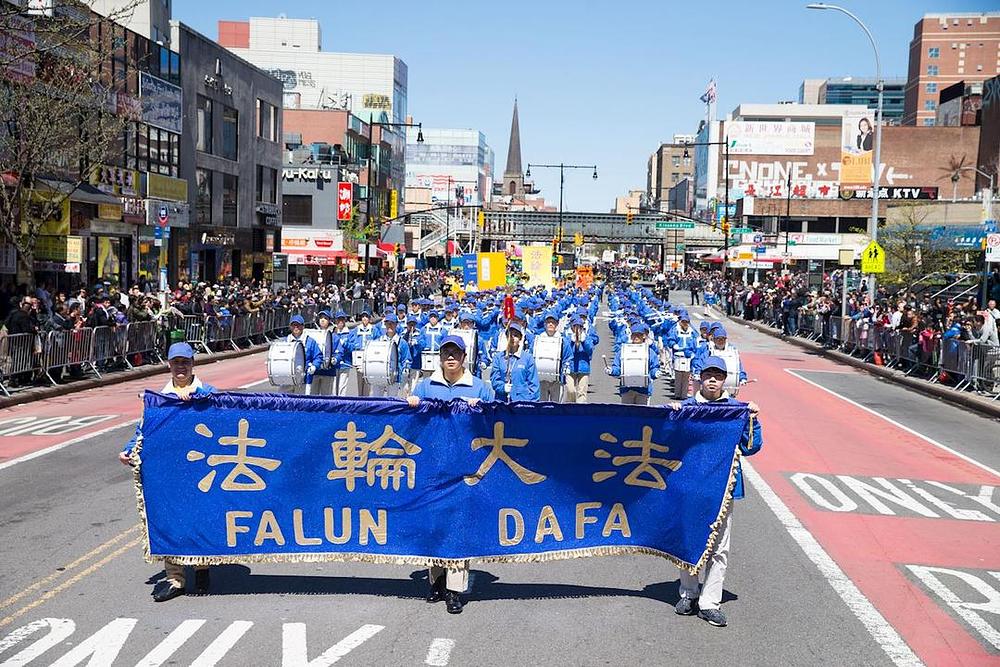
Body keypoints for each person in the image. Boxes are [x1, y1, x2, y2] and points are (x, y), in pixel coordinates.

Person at [119, 342, 218, 602]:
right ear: (169, 365)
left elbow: (223, 415)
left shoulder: (207, 392)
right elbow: (144, 430)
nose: (181, 367)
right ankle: (176, 579)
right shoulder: (160, 399)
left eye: (185, 361)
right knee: (171, 520)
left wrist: (198, 401)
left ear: (193, 363)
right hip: (170, 470)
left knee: (197, 518)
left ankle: (202, 566)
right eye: (176, 362)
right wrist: (129, 449)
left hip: (200, 468)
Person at [669, 355, 762, 628]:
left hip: (722, 489)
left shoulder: (736, 410)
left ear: (725, 380)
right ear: (699, 377)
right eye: (708, 374)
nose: (713, 379)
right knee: (687, 541)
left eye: (718, 376)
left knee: (719, 548)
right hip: (689, 487)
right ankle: (688, 593)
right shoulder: (686, 407)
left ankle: (710, 602)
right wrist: (670, 414)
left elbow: (751, 447)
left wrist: (752, 420)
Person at [406, 335, 494, 614]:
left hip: (465, 470)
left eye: (455, 353)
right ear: (440, 357)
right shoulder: (425, 385)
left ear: (464, 357)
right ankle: (436, 580)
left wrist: (479, 409)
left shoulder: (480, 387)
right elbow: (408, 421)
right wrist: (409, 403)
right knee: (433, 524)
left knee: (458, 526)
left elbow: (495, 420)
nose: (450, 358)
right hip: (432, 466)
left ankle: (455, 590)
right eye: (446, 353)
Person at [608, 322, 659, 405]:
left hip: (644, 389)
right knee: (627, 415)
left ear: (643, 336)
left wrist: (655, 373)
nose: (636, 337)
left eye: (639, 335)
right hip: (627, 389)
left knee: (642, 415)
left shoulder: (650, 352)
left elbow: (654, 367)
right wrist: (612, 371)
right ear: (631, 336)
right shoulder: (623, 351)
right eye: (634, 335)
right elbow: (617, 367)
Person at [489, 322, 540, 401]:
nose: (512, 338)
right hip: (502, 402)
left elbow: (534, 385)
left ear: (520, 338)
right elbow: (494, 380)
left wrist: (531, 404)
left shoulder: (528, 358)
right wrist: (503, 387)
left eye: (516, 335)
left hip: (522, 402)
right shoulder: (498, 357)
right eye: (510, 335)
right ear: (506, 337)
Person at [286, 314, 324, 395]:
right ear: (290, 327)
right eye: (293, 325)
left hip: (303, 379)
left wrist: (314, 366)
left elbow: (318, 356)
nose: (296, 327)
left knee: (301, 404)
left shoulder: (310, 341)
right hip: (287, 379)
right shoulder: (285, 341)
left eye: (298, 325)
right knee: (284, 403)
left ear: (303, 326)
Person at [562, 315, 596, 403]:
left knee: (582, 393)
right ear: (572, 327)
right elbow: (564, 352)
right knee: (570, 390)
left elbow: (590, 352)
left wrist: (584, 342)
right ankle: (571, 405)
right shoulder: (567, 338)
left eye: (580, 326)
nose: (577, 328)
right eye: (575, 326)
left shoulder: (587, 337)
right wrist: (571, 342)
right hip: (570, 368)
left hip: (583, 368)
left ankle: (580, 410)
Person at [533, 313, 564, 402]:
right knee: (542, 403)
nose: (550, 324)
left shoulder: (562, 340)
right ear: (545, 324)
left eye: (553, 322)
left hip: (557, 379)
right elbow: (533, 355)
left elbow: (567, 356)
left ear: (557, 324)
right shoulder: (538, 339)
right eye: (548, 322)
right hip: (541, 379)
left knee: (556, 405)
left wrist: (564, 369)